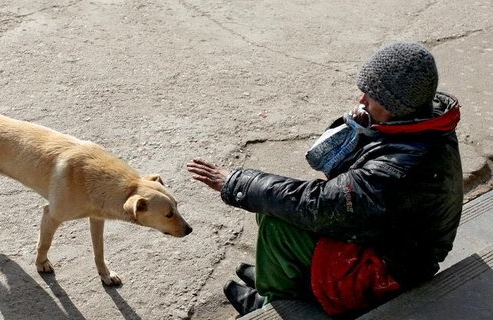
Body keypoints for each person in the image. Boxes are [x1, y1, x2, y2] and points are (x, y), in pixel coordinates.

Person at [186, 42, 463, 317]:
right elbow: (340, 184)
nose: (361, 101)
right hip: (389, 238)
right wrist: (359, 131)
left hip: (386, 272)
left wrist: (237, 182)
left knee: (277, 223)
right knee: (275, 205)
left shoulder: (398, 169)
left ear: (396, 105)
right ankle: (283, 273)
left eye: (371, 95)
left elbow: (321, 204)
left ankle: (273, 303)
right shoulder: (418, 123)